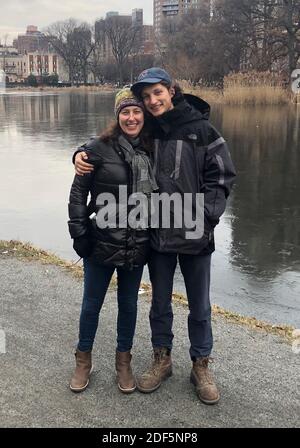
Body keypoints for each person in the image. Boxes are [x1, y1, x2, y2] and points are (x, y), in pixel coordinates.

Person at [75, 68, 236, 405]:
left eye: (156, 94)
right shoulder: (150, 130)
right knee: (159, 303)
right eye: (146, 98)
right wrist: (78, 154)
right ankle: (162, 358)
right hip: (158, 233)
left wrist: (206, 218)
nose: (151, 102)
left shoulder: (203, 130)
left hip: (195, 233)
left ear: (171, 91)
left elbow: (221, 176)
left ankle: (201, 365)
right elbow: (109, 144)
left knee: (199, 305)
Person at [68, 87, 157, 394]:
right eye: (125, 112)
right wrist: (79, 233)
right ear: (117, 116)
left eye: (136, 112)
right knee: (91, 304)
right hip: (101, 242)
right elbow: (78, 193)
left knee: (128, 305)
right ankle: (83, 360)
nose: (131, 118)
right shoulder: (97, 148)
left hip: (137, 243)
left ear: (143, 116)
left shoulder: (152, 148)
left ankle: (124, 362)